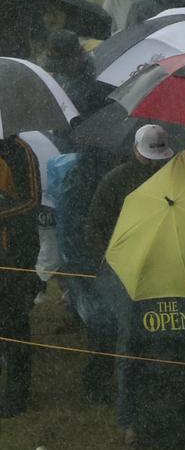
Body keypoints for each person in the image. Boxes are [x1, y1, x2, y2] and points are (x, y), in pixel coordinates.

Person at [86, 124, 174, 445]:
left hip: (165, 272)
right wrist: (111, 263)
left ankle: (162, 418)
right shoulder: (114, 182)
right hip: (126, 275)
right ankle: (130, 423)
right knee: (129, 346)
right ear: (135, 150)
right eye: (150, 157)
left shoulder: (172, 176)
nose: (153, 164)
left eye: (158, 158)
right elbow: (95, 227)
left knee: (164, 345)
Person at [0, 135, 40, 417]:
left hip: (16, 253)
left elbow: (32, 200)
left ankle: (16, 396)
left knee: (14, 325)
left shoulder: (20, 150)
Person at [43, 30, 107, 117]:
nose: (59, 68)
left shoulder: (96, 80)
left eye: (61, 61)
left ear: (75, 56)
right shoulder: (58, 77)